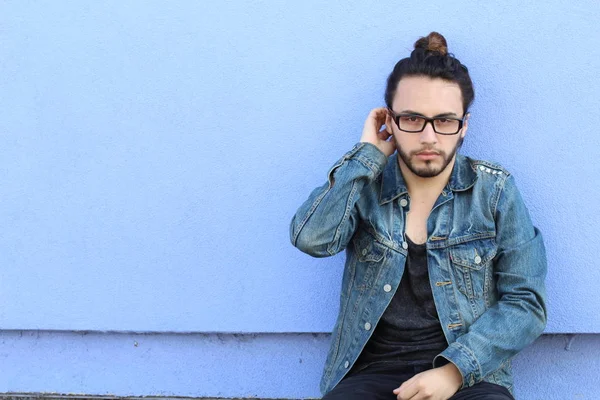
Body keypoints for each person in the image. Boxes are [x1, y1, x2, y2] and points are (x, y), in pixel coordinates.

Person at [289, 32, 547, 400]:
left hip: (469, 377)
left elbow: (527, 302)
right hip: (370, 374)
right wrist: (366, 155)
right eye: (412, 119)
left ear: (464, 125)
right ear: (389, 122)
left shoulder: (495, 192)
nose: (428, 136)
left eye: (444, 121)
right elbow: (311, 238)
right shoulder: (366, 187)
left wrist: (454, 371)